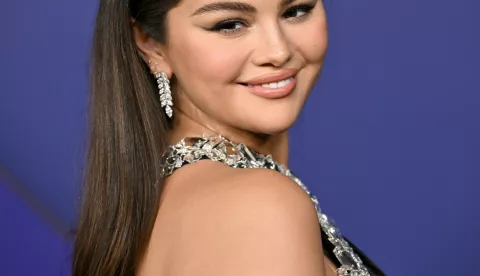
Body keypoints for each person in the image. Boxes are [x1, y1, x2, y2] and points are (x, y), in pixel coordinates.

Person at [72, 0, 385, 275]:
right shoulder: (259, 207)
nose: (279, 51)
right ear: (151, 43)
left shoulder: (165, 197)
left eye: (296, 11)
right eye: (230, 24)